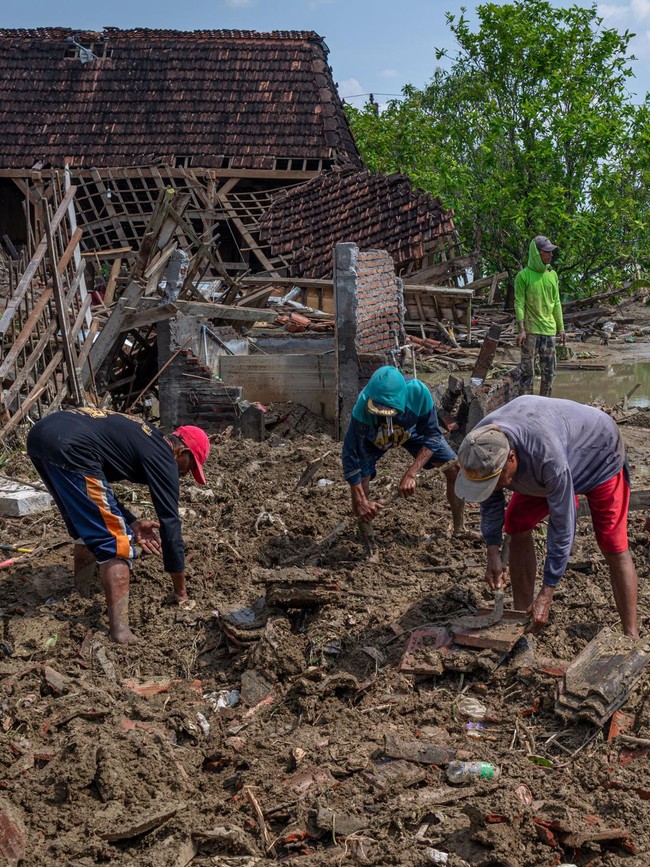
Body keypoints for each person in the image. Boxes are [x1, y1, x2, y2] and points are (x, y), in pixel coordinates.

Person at [454, 395, 639, 638]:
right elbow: (489, 499)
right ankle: (522, 618)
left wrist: (547, 590)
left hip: (599, 453)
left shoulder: (546, 457)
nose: (494, 487)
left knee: (612, 543)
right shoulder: (479, 446)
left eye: (496, 480)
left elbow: (563, 526)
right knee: (516, 522)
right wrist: (492, 550)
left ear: (511, 458)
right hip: (552, 453)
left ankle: (631, 635)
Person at [26, 408, 210, 644]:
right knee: (115, 543)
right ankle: (120, 633)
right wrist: (180, 592)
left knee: (86, 525)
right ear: (181, 451)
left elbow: (100, 489)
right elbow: (170, 525)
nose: (185, 474)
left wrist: (132, 521)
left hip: (43, 435)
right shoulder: (166, 458)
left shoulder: (147, 437)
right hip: (72, 446)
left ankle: (81, 593)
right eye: (190, 466)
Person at [342, 365, 465, 534]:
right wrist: (359, 497)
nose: (383, 412)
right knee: (361, 487)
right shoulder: (362, 407)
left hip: (410, 431)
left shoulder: (418, 393)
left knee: (454, 469)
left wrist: (411, 474)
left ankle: (459, 529)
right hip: (375, 437)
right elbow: (349, 453)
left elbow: (433, 436)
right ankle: (366, 536)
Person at [514, 235, 565, 397]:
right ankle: (526, 406)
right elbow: (519, 303)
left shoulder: (552, 275)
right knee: (527, 374)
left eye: (551, 252)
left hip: (549, 331)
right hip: (531, 332)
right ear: (536, 253)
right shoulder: (523, 276)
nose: (551, 255)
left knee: (549, 374)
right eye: (547, 252)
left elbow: (556, 302)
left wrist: (561, 328)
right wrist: (521, 330)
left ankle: (545, 405)